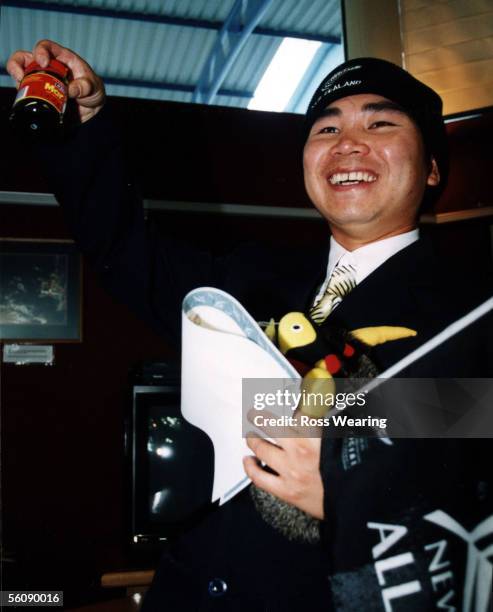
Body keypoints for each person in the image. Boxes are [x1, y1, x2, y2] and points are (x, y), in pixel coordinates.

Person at [8, 41, 493, 611]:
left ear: (433, 167)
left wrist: (353, 489)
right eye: (326, 130)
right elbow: (124, 249)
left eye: (380, 122)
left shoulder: (471, 312)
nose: (349, 145)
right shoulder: (249, 278)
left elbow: (464, 423)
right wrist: (85, 127)